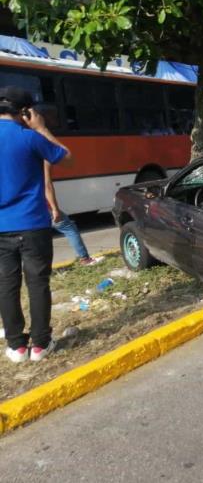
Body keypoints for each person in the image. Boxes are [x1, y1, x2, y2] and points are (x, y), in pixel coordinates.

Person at [0, 87, 72, 363]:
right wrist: (41, 129)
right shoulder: (30, 138)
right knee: (37, 283)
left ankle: (16, 346)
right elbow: (67, 157)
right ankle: (40, 345)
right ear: (26, 112)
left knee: (6, 284)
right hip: (32, 225)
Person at [32, 104, 97, 266]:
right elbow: (46, 183)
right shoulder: (42, 148)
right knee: (68, 227)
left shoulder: (23, 144)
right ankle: (84, 258)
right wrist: (54, 208)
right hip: (41, 201)